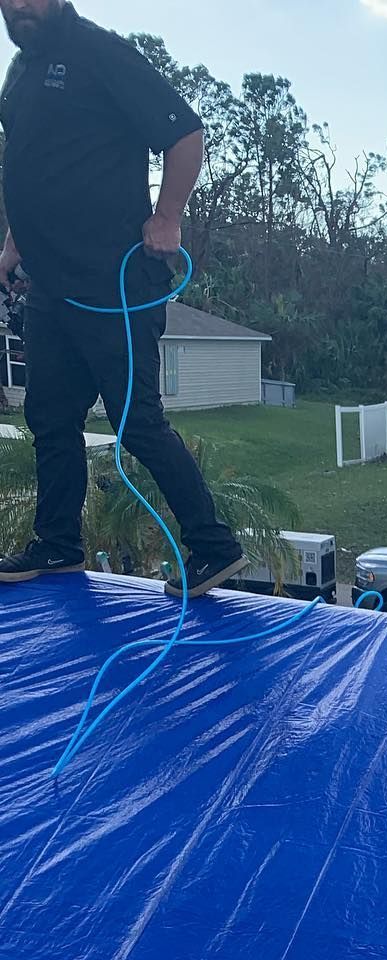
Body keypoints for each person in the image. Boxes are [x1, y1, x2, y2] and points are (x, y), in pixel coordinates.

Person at [0, 0, 244, 596]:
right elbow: (32, 171)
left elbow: (185, 132)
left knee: (137, 424)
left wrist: (168, 216)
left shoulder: (98, 51)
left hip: (114, 287)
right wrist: (12, 247)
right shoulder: (21, 70)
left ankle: (215, 547)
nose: (19, 5)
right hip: (50, 288)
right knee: (51, 420)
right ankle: (58, 546)